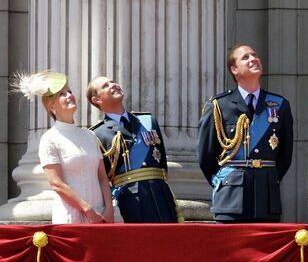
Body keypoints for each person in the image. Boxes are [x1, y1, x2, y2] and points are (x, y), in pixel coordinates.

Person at [197, 44, 293, 223]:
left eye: (255, 55)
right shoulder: (218, 105)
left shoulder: (279, 105)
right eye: (245, 57)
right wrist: (225, 182)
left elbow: (285, 156)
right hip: (230, 199)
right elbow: (206, 156)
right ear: (234, 69)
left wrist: (268, 179)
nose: (253, 59)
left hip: (266, 198)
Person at [12, 71, 114, 224]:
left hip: (100, 215)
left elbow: (102, 177)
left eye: (70, 92)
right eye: (62, 94)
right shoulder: (49, 138)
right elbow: (56, 183)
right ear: (52, 107)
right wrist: (86, 208)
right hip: (71, 216)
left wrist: (109, 209)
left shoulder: (89, 135)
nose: (69, 96)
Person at [86, 76, 182, 223]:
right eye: (106, 86)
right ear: (96, 100)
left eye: (113, 82)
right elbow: (102, 177)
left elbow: (161, 162)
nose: (113, 85)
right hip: (131, 200)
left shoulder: (147, 121)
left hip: (161, 195)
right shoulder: (97, 134)